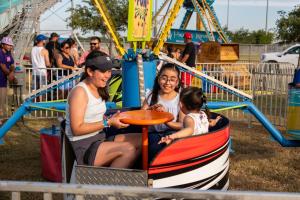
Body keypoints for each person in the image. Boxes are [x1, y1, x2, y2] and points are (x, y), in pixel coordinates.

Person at [66, 50, 141, 167]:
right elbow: (77, 129)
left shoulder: (98, 88)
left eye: (109, 71)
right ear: (90, 71)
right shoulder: (80, 92)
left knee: (143, 140)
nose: (108, 75)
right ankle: (109, 184)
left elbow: (93, 117)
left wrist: (113, 118)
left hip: (99, 138)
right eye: (103, 71)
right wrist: (108, 122)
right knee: (128, 149)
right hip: (84, 146)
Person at [141, 63, 184, 162]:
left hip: (172, 133)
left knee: (164, 149)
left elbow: (182, 124)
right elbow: (141, 115)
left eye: (172, 79)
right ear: (158, 79)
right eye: (164, 78)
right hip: (153, 133)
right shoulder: (151, 95)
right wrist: (151, 110)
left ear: (177, 82)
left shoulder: (180, 98)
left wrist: (166, 119)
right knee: (152, 149)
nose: (167, 83)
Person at [0, 37, 16, 125]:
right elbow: (2, 65)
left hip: (3, 79)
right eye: (8, 44)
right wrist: (10, 74)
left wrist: (12, 72)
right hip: (1, 78)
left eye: (11, 45)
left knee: (2, 99)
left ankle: (1, 118)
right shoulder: (0, 53)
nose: (10, 46)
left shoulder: (9, 54)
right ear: (2, 45)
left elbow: (12, 64)